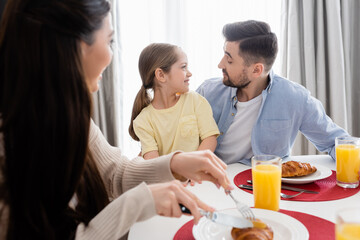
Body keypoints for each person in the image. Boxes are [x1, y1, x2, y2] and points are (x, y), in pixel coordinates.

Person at [0, 1, 232, 239]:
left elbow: (115, 173)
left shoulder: (72, 116)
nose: (111, 55)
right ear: (78, 46)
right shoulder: (8, 147)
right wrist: (138, 202)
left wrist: (175, 163)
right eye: (109, 41)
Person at [197, 20, 349, 165]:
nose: (220, 64)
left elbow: (338, 142)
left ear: (257, 70)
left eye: (229, 60)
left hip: (265, 184)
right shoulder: (207, 93)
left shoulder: (295, 98)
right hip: (211, 183)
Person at [128, 43, 219, 161]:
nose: (189, 73)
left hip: (196, 175)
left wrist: (192, 169)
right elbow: (153, 162)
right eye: (183, 67)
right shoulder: (143, 121)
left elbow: (210, 139)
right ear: (161, 75)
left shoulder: (195, 100)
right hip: (167, 178)